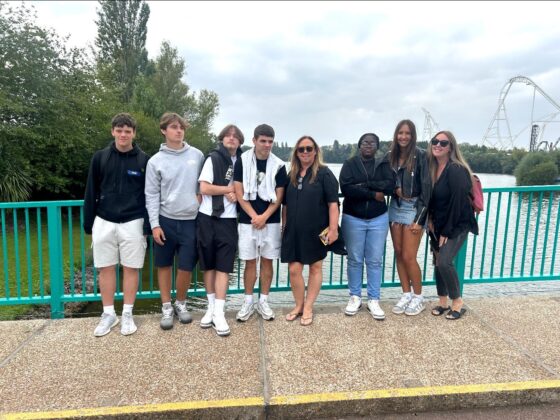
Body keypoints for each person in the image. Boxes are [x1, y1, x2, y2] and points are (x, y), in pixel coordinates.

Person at [83, 113, 150, 337]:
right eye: (119, 130)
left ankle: (128, 314)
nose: (123, 134)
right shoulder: (100, 157)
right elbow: (91, 191)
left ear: (133, 133)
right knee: (106, 267)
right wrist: (88, 222)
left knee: (131, 268)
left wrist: (148, 225)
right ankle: (109, 314)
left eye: (127, 131)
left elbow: (148, 195)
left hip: (133, 221)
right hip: (103, 220)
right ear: (113, 131)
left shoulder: (143, 160)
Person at [145, 113, 204, 330]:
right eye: (173, 127)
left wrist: (198, 199)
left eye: (181, 127)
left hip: (191, 221)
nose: (179, 131)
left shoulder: (197, 155)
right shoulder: (155, 161)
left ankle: (181, 303)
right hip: (165, 220)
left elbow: (203, 185)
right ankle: (166, 307)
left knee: (186, 265)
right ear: (163, 130)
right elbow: (151, 195)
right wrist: (154, 224)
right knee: (164, 264)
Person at [281, 136, 340, 326]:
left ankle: (308, 307)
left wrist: (333, 229)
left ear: (316, 151)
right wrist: (284, 228)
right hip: (294, 231)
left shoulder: (324, 174)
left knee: (315, 267)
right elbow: (286, 206)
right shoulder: (292, 174)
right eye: (301, 149)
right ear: (296, 153)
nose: (305, 152)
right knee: (294, 269)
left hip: (317, 230)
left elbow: (333, 204)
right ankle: (299, 305)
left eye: (309, 148)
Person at [234, 124, 287, 322]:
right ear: (254, 140)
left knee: (267, 261)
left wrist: (264, 216)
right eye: (263, 141)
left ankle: (263, 301)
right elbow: (239, 193)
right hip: (247, 221)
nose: (267, 145)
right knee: (249, 262)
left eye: (270, 141)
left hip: (270, 221)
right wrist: (254, 216)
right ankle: (248, 301)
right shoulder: (242, 161)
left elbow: (279, 197)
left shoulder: (279, 165)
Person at [340, 133, 394, 320]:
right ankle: (355, 297)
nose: (368, 145)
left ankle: (373, 299)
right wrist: (372, 194)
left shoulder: (383, 164)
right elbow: (346, 188)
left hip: (378, 218)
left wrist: (365, 185)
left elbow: (389, 186)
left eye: (372, 143)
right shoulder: (350, 164)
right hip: (353, 218)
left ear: (377, 146)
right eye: (365, 142)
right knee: (354, 259)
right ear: (359, 145)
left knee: (374, 260)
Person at [197, 124, 244, 337]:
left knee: (223, 266)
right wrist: (228, 189)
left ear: (240, 141)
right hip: (207, 217)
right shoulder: (213, 159)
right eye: (228, 135)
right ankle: (210, 307)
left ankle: (219, 312)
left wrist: (237, 193)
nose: (231, 139)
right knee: (209, 265)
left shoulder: (244, 162)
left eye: (235, 137)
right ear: (222, 138)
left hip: (229, 220)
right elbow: (204, 188)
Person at [427, 130, 478, 320]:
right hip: (437, 224)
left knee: (444, 261)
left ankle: (457, 301)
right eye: (435, 141)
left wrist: (447, 230)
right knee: (438, 263)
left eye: (443, 143)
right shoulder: (433, 168)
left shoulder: (456, 169)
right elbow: (432, 199)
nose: (438, 145)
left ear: (451, 148)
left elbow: (458, 202)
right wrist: (430, 221)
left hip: (456, 224)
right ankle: (443, 301)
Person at [384, 120, 431, 316]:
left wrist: (420, 220)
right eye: (400, 133)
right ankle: (406, 293)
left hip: (414, 207)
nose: (403, 137)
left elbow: (427, 189)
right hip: (395, 206)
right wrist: (392, 188)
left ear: (413, 136)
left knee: (409, 256)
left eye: (407, 133)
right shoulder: (390, 156)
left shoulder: (421, 156)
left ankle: (418, 296)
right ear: (396, 135)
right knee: (398, 252)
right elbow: (381, 179)